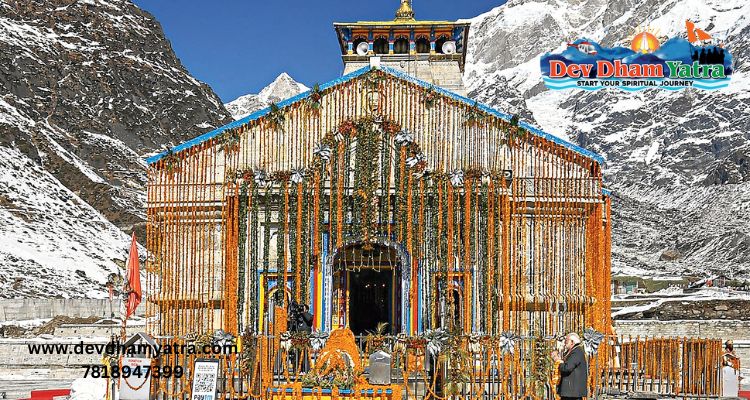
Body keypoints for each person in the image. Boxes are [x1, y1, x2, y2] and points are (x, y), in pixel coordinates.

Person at [552, 332, 588, 400]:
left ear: (572, 342)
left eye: (566, 341)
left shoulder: (577, 351)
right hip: (570, 392)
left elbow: (567, 368)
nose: (565, 343)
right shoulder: (573, 351)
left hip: (572, 392)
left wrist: (559, 362)